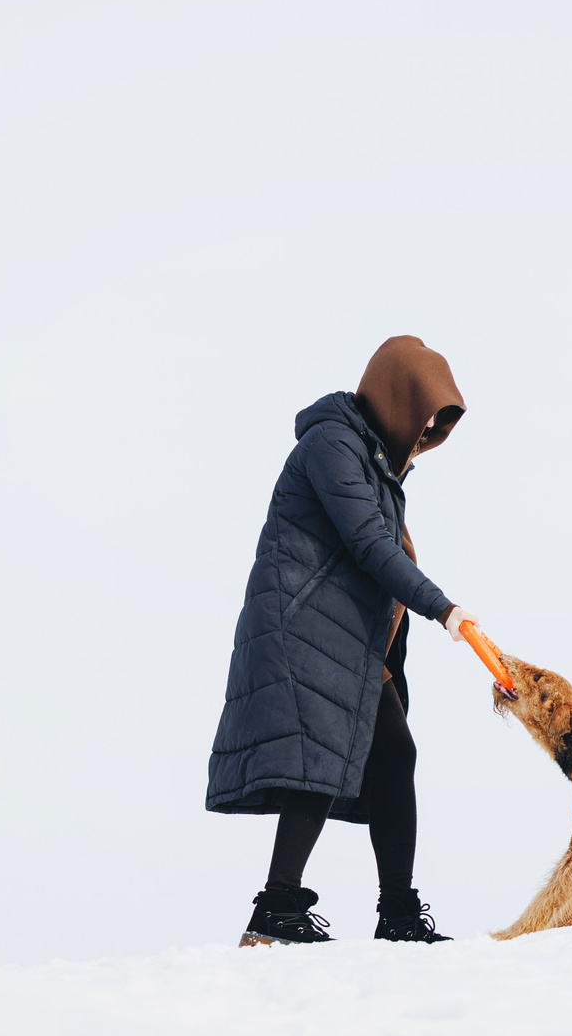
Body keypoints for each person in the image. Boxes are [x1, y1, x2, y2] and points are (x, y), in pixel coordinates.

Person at [205, 335, 489, 946]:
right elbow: (369, 545)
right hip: (301, 627)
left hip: (344, 640)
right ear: (395, 398)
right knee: (318, 762)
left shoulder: (378, 468)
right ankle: (277, 912)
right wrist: (445, 610)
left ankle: (396, 913)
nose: (423, 439)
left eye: (434, 431)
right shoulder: (332, 444)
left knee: (390, 756)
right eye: (422, 422)